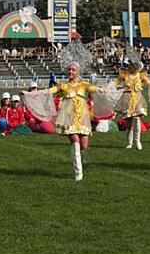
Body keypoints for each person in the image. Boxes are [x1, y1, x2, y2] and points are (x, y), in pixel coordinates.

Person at [23, 41, 104, 181]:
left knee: (84, 146)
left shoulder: (84, 85)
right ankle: (78, 172)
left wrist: (115, 90)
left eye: (73, 70)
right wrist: (30, 94)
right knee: (76, 142)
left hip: (83, 118)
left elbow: (99, 90)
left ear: (78, 72)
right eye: (69, 70)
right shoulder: (63, 86)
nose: (70, 72)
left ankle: (80, 161)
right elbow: (47, 91)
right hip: (69, 118)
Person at [113, 54, 150, 150]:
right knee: (128, 121)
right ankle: (129, 142)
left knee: (137, 118)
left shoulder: (140, 75)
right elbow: (115, 82)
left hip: (137, 98)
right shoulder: (124, 75)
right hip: (127, 99)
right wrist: (108, 87)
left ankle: (137, 141)